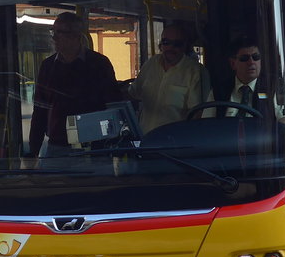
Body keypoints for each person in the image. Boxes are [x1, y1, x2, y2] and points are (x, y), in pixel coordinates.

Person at [27, 13, 120, 161]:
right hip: (57, 145)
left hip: (94, 146)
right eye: (53, 32)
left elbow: (112, 104)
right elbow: (40, 109)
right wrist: (33, 151)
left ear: (76, 36)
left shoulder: (99, 64)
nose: (54, 38)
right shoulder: (48, 66)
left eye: (60, 32)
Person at [129, 20, 211, 132]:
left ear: (185, 45)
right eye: (166, 42)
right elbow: (133, 94)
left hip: (174, 144)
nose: (171, 48)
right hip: (145, 140)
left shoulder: (195, 72)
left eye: (177, 44)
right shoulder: (151, 64)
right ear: (161, 44)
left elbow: (198, 115)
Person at [212, 37, 284, 120]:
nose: (251, 62)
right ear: (233, 63)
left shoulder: (273, 87)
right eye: (244, 58)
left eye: (256, 57)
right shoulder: (218, 91)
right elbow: (206, 125)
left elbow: (283, 122)